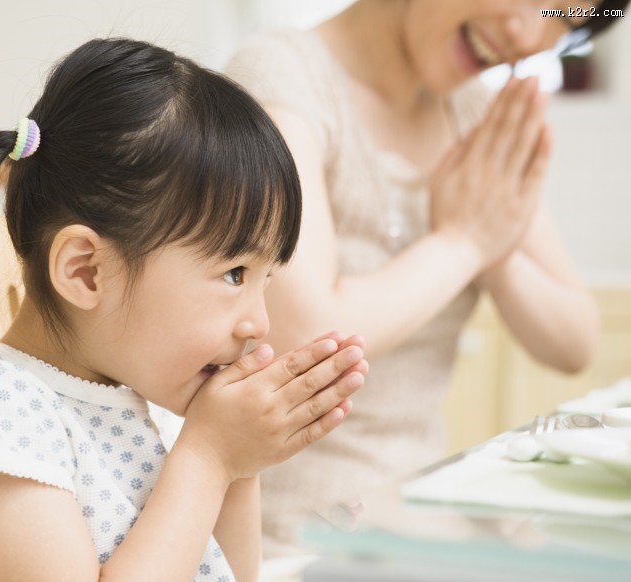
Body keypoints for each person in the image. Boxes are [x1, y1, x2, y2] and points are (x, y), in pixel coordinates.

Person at [0, 38, 370, 581]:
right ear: (85, 271)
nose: (259, 323)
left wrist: (240, 467)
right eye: (234, 273)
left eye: (267, 280)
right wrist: (210, 458)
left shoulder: (128, 402)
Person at [225, 0, 628, 557]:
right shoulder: (279, 79)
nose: (527, 34)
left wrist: (493, 245)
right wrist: (465, 241)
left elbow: (574, 339)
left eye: (567, 19)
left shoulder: (475, 118)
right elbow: (307, 337)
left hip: (421, 529)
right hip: (287, 541)